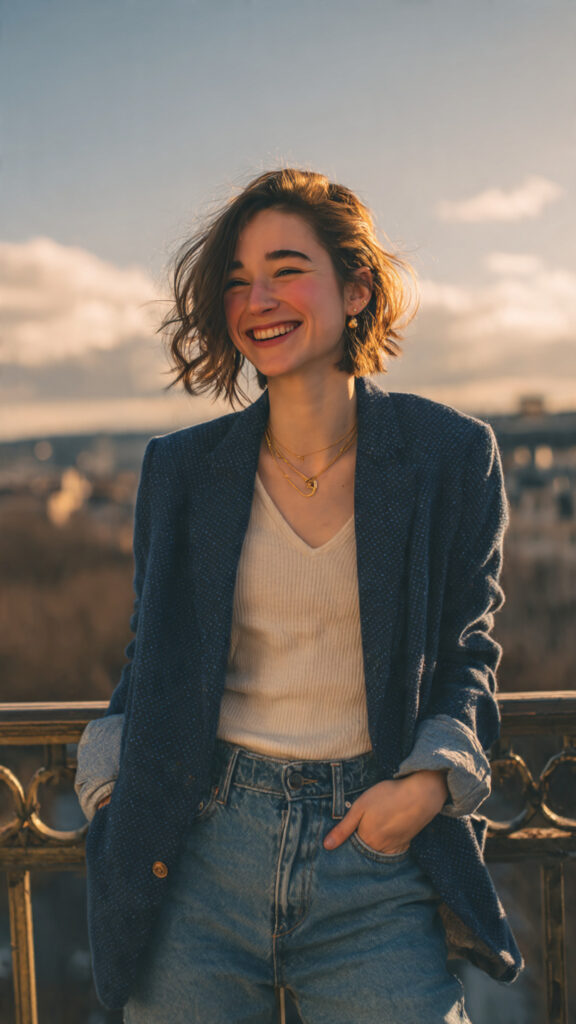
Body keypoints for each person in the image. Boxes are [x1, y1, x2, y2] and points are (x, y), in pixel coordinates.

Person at [75, 168, 523, 1023]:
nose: (258, 298)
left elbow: (469, 651)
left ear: (356, 289)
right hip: (198, 851)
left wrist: (429, 785)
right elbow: (153, 655)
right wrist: (110, 796)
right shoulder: (181, 469)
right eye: (239, 279)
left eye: (286, 269)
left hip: (372, 854)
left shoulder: (450, 455)